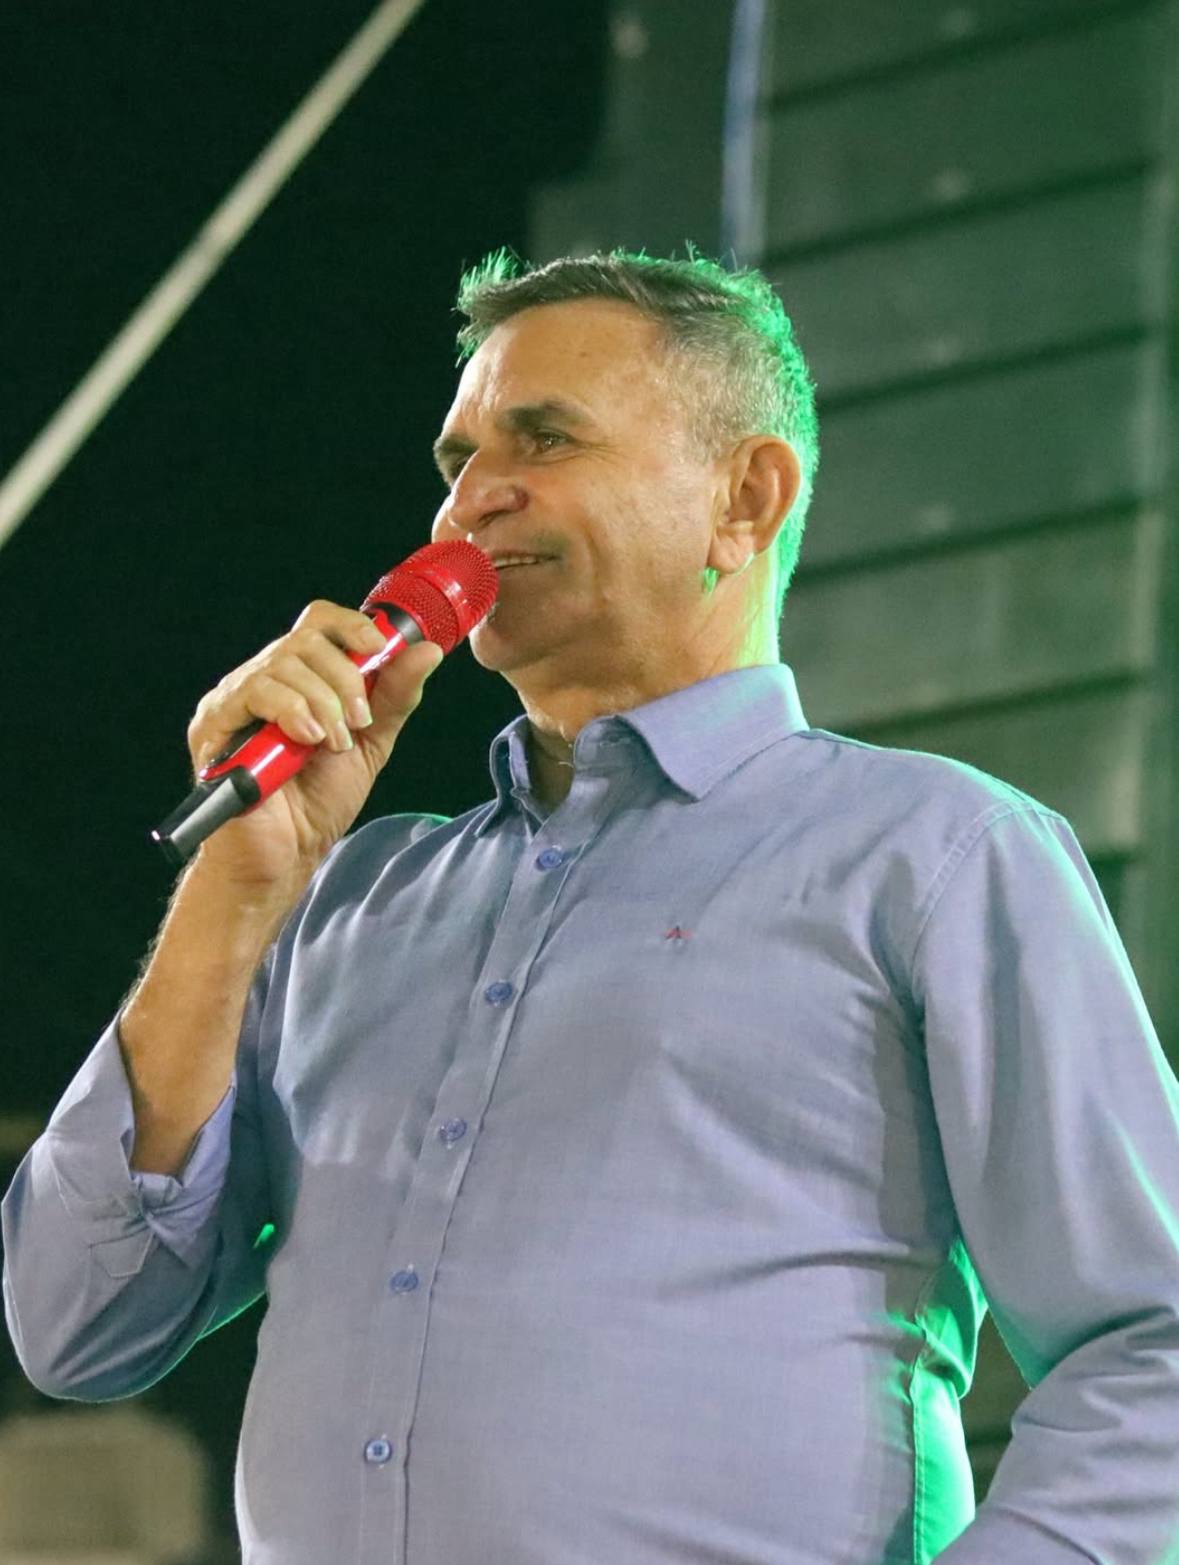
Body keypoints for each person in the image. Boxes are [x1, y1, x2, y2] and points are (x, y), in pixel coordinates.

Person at [4, 248, 1179, 1565]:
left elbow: (1154, 1345)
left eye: (545, 438)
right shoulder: (353, 903)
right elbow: (75, 1321)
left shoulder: (936, 855)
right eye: (457, 459)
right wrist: (237, 886)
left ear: (745, 498)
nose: (471, 499)